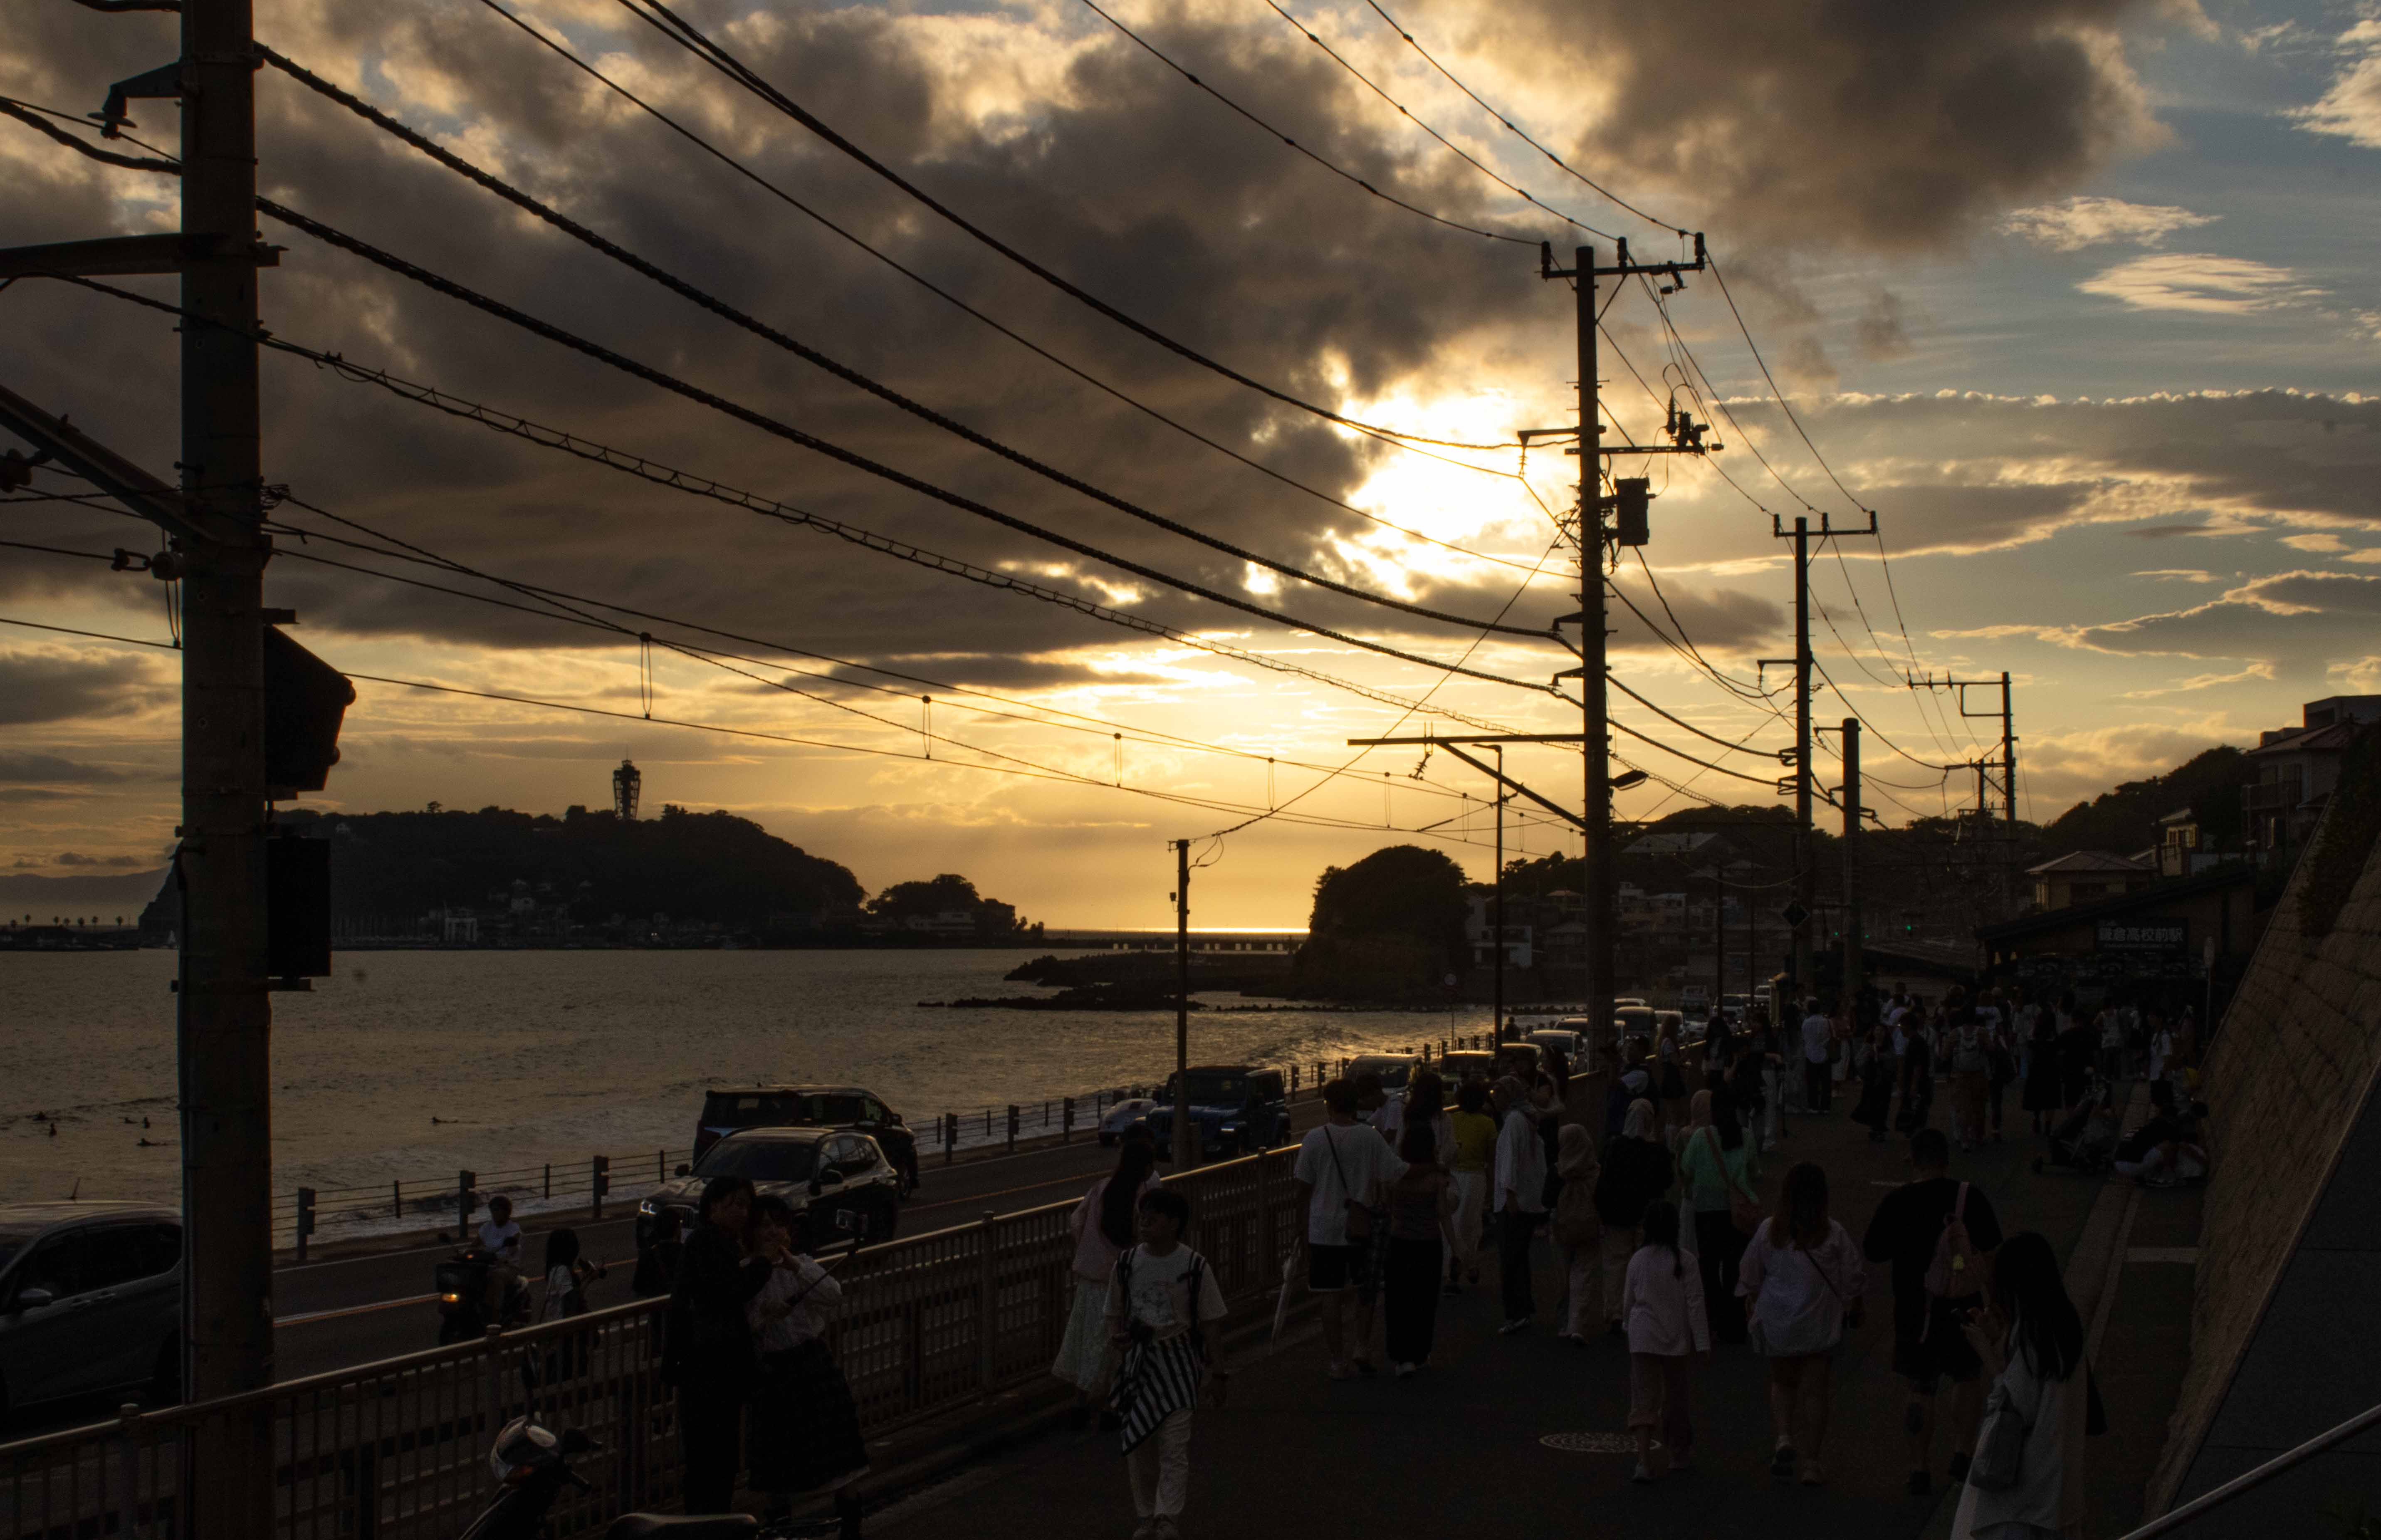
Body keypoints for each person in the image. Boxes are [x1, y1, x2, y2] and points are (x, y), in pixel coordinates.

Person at [1863, 1128, 2005, 1497]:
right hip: (1962, 1306)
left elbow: (1874, 1249)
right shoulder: (1967, 1197)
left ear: (1913, 1159)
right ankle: (1962, 1450)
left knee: (1920, 1387)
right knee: (1966, 1377)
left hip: (1914, 1310)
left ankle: (1918, 1468)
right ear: (1946, 1159)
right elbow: (1991, 1251)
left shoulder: (1898, 1201)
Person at [1108, 1187, 1231, 1540]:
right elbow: (1112, 1313)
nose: (1144, 1223)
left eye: (1154, 1218)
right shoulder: (1127, 1263)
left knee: (1174, 1445)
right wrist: (1116, 1338)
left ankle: (1166, 1517)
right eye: (1142, 1216)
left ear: (1174, 1223)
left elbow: (1210, 1322)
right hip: (1138, 1367)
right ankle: (1147, 1515)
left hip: (1179, 1365)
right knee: (1139, 1445)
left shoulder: (1194, 1266)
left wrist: (1218, 1372)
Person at [1951, 1232, 2092, 1540]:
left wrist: (1985, 1352)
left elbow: (2016, 1404)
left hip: (2021, 1488)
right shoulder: (2065, 1327)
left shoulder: (2032, 1336)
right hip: (2058, 1484)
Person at [745, 1193, 868, 1536]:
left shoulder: (801, 1264)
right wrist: (765, 1317)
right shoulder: (748, 1272)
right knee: (777, 1466)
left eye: (778, 1224)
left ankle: (851, 1525)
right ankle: (780, 1526)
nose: (771, 1232)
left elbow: (833, 1294)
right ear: (751, 1232)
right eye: (763, 1225)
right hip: (773, 1370)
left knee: (840, 1460)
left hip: (811, 1363)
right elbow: (745, 1323)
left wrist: (795, 1267)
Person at [1738, 1162, 1867, 1486]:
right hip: (1819, 1323)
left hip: (1779, 1322)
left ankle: (1783, 1436)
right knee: (1816, 1392)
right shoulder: (1832, 1233)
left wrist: (1752, 1298)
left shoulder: (1770, 1230)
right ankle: (1811, 1461)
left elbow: (1750, 1274)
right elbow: (1853, 1276)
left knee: (1782, 1383)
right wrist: (1855, 1303)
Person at [665, 1174, 771, 1514]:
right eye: (734, 1203)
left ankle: (709, 1520)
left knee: (714, 1457)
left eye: (746, 1204)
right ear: (712, 1206)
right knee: (712, 1457)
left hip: (708, 1367)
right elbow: (730, 1291)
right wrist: (764, 1263)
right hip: (709, 1368)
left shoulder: (715, 1241)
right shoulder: (708, 1243)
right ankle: (707, 1524)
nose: (742, 1212)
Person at [1292, 1078, 1407, 1378]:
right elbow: (1394, 1173)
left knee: (1329, 1295)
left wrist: (1300, 1233)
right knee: (1363, 1291)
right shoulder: (1369, 1138)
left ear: (1329, 1105)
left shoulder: (1314, 1139)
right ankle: (1361, 1346)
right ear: (1355, 1105)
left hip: (1322, 1229)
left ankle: (1336, 1361)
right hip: (1361, 1225)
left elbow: (1302, 1191)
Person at [1056, 1137, 1160, 1425]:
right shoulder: (1145, 1196)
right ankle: (1111, 1408)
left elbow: (1076, 1221)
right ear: (1145, 1166)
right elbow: (1147, 1237)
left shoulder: (1101, 1188)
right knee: (1117, 1347)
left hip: (1092, 1281)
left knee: (1087, 1344)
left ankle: (1080, 1403)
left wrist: (1088, 1248)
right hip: (1124, 1283)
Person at [1624, 1198, 1709, 1482]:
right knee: (1676, 1397)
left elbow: (1629, 1301)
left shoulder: (1638, 1259)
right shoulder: (1685, 1260)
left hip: (1642, 1336)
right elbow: (1695, 1303)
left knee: (1643, 1398)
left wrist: (1627, 1325)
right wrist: (1703, 1342)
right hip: (1675, 1338)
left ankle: (1644, 1461)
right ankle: (1678, 1452)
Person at [1676, 1088, 1757, 1345]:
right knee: (1735, 1267)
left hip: (1707, 1212)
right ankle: (1735, 1321)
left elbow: (1687, 1168)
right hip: (1737, 1212)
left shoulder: (1701, 1137)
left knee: (1709, 1268)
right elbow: (1754, 1171)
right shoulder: (1746, 1136)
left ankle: (1715, 1318)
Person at [1382, 1121, 1458, 1374]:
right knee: (1424, 1300)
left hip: (1399, 1241)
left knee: (1399, 1300)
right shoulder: (1436, 1177)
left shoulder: (1396, 1175)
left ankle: (1401, 1356)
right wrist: (1457, 1248)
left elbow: (1388, 1206)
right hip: (1428, 1243)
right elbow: (1443, 1215)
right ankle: (1420, 1352)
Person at [1594, 1099, 1674, 1334]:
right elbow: (1667, 1181)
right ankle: (1645, 1308)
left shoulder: (1614, 1146)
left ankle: (1615, 1312)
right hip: (1647, 1217)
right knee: (1647, 1262)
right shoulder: (1657, 1150)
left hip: (1616, 1215)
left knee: (1615, 1264)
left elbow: (1603, 1180)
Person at [1493, 1076, 1548, 1332]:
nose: (1495, 1096)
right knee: (1519, 1258)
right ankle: (1523, 1310)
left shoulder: (1514, 1121)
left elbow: (1509, 1161)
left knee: (1510, 1259)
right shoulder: (1525, 1119)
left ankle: (1515, 1313)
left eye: (1499, 1092)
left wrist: (1510, 1195)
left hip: (1513, 1202)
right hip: (1526, 1199)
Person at [1549, 1122, 1603, 1342]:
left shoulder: (1558, 1170)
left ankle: (1564, 1321)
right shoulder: (1595, 1171)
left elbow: (1547, 1199)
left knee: (1563, 1274)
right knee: (1584, 1273)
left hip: (1561, 1226)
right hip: (1589, 1226)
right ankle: (1578, 1323)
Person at [1446, 1078, 1496, 1291]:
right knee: (1471, 1226)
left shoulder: (1451, 1119)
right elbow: (1491, 1158)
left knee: (1453, 1226)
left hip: (1453, 1176)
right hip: (1476, 1178)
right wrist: (1494, 1187)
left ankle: (1455, 1272)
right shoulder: (1488, 1124)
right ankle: (1468, 1266)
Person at [2112, 1083, 2208, 1187]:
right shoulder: (2167, 1128)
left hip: (2119, 1164)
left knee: (2155, 1150)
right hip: (2133, 1165)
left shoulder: (2142, 1128)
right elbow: (2183, 1146)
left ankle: (2146, 1174)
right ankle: (2168, 1177)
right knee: (2170, 1146)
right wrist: (2203, 1162)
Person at [537, 1227, 606, 1322]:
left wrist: (588, 1277)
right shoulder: (562, 1271)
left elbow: (572, 1294)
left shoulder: (557, 1269)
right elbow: (573, 1302)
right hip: (563, 1328)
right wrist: (590, 1279)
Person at [1948, 1003, 1990, 1152]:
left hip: (1961, 1076)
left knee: (1963, 1108)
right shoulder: (1982, 1033)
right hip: (1979, 1074)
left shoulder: (1954, 1034)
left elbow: (1944, 1055)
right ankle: (1978, 1136)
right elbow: (1991, 1050)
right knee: (1979, 1107)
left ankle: (1964, 1138)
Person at [477, 1193, 524, 1318]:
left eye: (498, 1210)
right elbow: (475, 1245)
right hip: (488, 1264)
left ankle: (495, 1313)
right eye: (493, 1210)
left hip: (508, 1267)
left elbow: (513, 1245)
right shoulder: (487, 1227)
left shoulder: (513, 1229)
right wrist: (463, 1253)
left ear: (506, 1212)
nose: (494, 1213)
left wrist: (502, 1257)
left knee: (496, 1276)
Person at [2023, 999, 2065, 1136]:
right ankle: (2048, 1124)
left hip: (2037, 1067)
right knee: (2051, 1098)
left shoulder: (2033, 1036)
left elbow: (2029, 1050)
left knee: (2037, 1095)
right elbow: (2059, 1053)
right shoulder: (2055, 1038)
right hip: (2052, 1068)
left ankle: (2036, 1118)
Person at [1852, 1022, 1895, 1142]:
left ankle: (1879, 1129)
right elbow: (1859, 1060)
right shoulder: (1868, 1046)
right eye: (1877, 1031)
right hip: (1871, 1080)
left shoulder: (1889, 1046)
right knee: (1871, 1104)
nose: (1879, 1033)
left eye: (1882, 1031)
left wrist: (1882, 1057)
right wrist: (1868, 1057)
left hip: (1885, 1080)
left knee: (1883, 1105)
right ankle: (1874, 1127)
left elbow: (1893, 1059)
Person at [632, 1207, 686, 1298]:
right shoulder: (686, 1253)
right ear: (677, 1230)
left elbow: (638, 1289)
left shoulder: (647, 1256)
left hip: (657, 1308)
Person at [1899, 1010, 1937, 1135]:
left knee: (1915, 1117)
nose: (1900, 1029)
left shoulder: (1917, 1042)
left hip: (1918, 1084)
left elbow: (1918, 1066)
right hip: (1917, 1083)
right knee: (1915, 1117)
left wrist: (1914, 1086)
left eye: (1901, 1026)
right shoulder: (1915, 1041)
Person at [1657, 1020, 1691, 1138]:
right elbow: (1676, 1062)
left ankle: (1670, 1140)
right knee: (1674, 1115)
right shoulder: (1668, 1042)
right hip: (1672, 1080)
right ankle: (1672, 1142)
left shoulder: (1666, 1041)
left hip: (1671, 1078)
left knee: (1673, 1114)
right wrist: (1687, 1054)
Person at [1800, 998, 1835, 1115]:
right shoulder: (1826, 1021)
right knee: (1826, 1083)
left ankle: (1813, 1106)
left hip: (1810, 1054)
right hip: (1825, 1053)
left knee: (1812, 1083)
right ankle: (1825, 1107)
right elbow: (1830, 1036)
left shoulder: (1806, 1022)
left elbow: (1804, 1037)